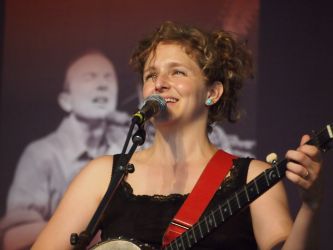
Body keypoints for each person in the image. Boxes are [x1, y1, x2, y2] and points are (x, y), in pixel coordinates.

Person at [32, 21, 323, 249]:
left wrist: (311, 204)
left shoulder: (254, 178)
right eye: (150, 75)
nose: (160, 83)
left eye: (178, 73)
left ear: (212, 93)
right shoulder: (103, 175)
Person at [0, 50, 129, 250]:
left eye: (108, 77)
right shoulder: (41, 154)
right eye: (90, 77)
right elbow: (14, 237)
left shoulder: (128, 145)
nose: (103, 85)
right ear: (65, 100)